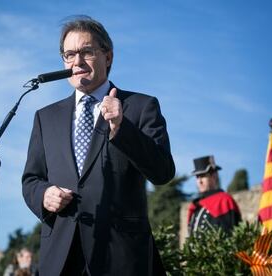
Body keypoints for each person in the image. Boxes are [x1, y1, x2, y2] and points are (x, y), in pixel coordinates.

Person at [22, 15, 175, 276]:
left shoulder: (140, 107)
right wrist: (43, 195)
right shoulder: (45, 117)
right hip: (61, 258)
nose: (77, 62)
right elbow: (31, 179)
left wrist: (122, 128)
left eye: (86, 52)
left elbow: (163, 171)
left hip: (121, 257)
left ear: (108, 56)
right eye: (69, 55)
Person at [187, 155, 242, 236]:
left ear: (214, 176)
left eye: (203, 176)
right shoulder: (196, 206)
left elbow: (232, 233)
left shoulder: (225, 201)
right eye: (197, 177)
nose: (200, 181)